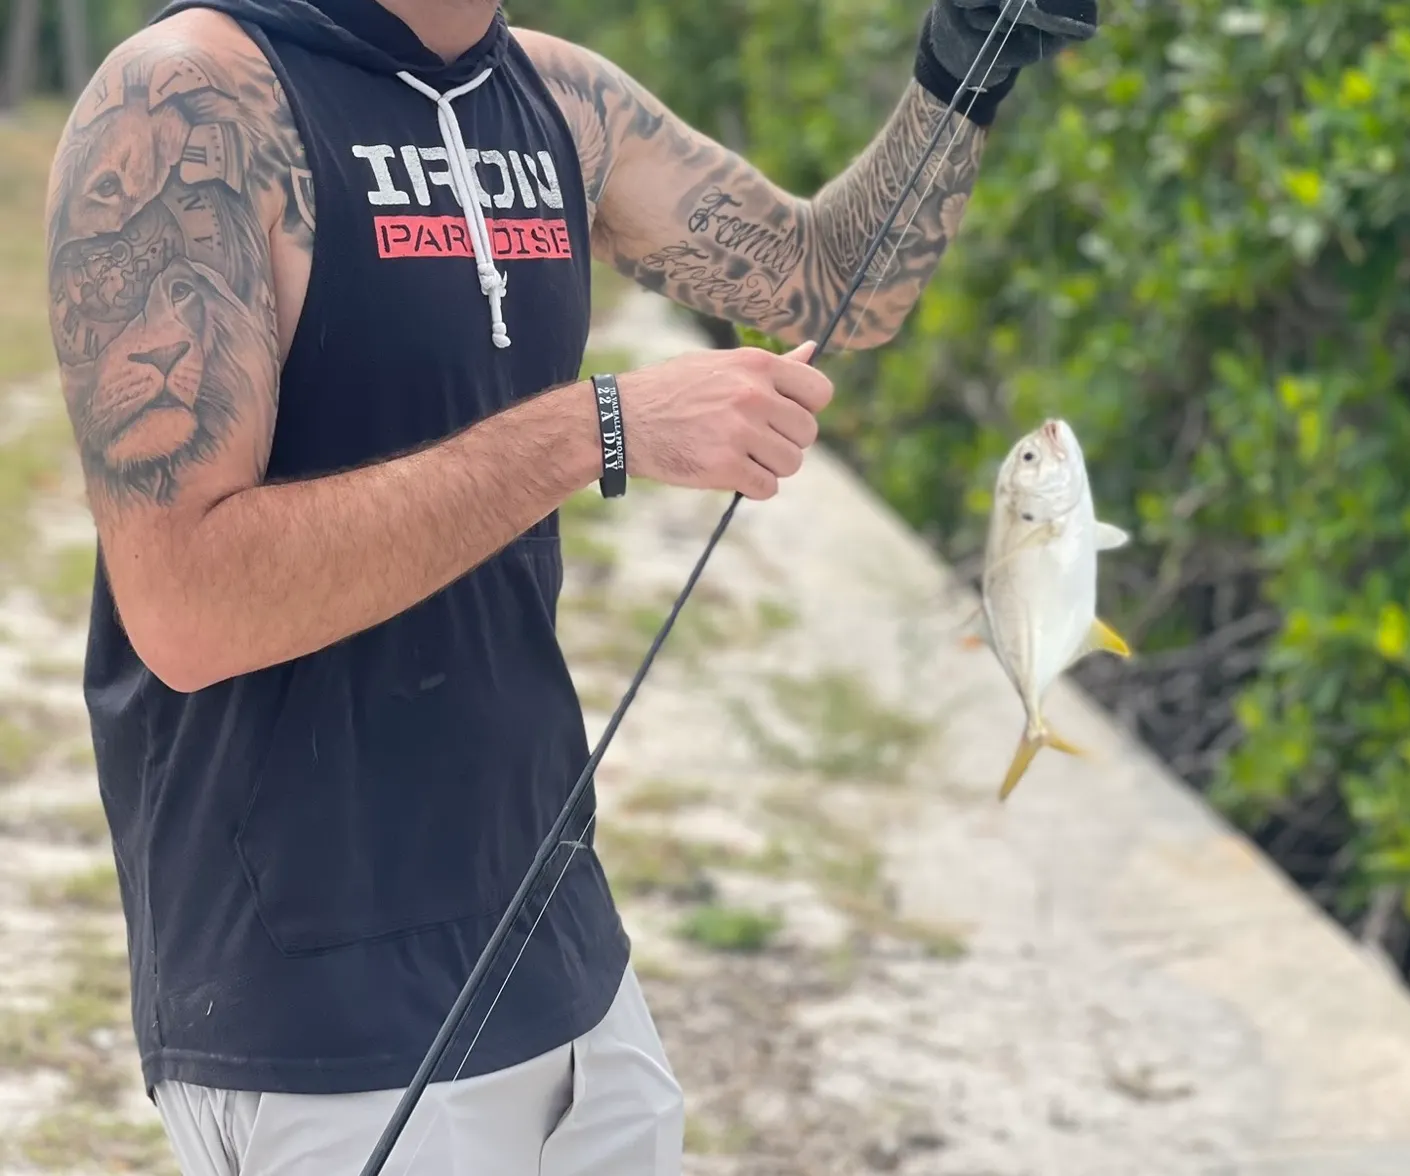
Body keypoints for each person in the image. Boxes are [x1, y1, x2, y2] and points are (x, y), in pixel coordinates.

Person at [42, 0, 1097, 1172]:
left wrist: (963, 67)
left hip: (555, 939)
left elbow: (824, 279)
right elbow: (188, 607)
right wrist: (597, 428)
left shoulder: (556, 99)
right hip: (317, 1003)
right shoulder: (195, 99)